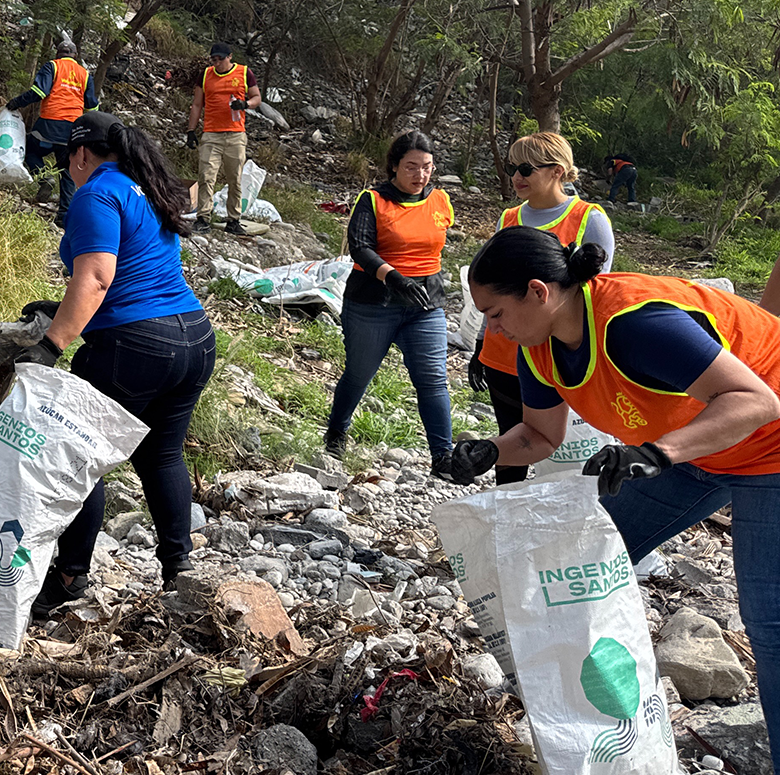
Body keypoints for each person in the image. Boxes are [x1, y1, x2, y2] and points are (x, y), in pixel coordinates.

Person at [447, 226, 780, 761]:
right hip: (697, 450)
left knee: (770, 626)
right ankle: (593, 734)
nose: (491, 328)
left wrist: (656, 454)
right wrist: (489, 451)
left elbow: (757, 401)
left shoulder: (636, 323)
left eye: (495, 313)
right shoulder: (539, 346)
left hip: (768, 449)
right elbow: (539, 436)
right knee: (574, 568)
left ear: (538, 291)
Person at [15, 111, 216, 617]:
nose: (68, 169)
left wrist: (52, 345)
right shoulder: (144, 188)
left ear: (80, 154)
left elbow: (99, 277)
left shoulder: (95, 193)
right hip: (194, 336)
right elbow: (134, 272)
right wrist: (57, 309)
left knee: (81, 455)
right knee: (162, 456)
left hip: (138, 344)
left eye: (68, 160)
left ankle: (68, 576)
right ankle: (179, 570)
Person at [468, 132, 614, 484]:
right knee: (509, 442)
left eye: (525, 169)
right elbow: (494, 290)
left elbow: (596, 298)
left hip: (554, 357)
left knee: (562, 450)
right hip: (504, 353)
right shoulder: (509, 218)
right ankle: (509, 521)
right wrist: (480, 344)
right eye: (511, 168)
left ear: (557, 171)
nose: (516, 177)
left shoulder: (589, 219)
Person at [325, 131, 455, 473]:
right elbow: (360, 246)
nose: (420, 175)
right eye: (411, 167)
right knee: (359, 373)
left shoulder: (440, 200)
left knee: (433, 379)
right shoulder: (373, 200)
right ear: (394, 167)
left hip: (425, 304)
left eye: (427, 167)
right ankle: (336, 432)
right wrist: (393, 276)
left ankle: (443, 456)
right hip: (373, 302)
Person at [5, 40, 100, 228]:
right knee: (68, 169)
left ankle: (44, 179)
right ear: (75, 55)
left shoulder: (52, 67)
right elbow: (92, 106)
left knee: (29, 150)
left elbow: (39, 92)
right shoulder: (84, 74)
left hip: (49, 125)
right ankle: (63, 216)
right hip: (73, 129)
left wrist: (15, 103)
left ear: (58, 54)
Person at [186, 42, 261, 235]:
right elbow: (196, 104)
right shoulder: (205, 75)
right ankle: (203, 217)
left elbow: (256, 97)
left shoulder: (244, 73)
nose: (217, 63)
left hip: (235, 133)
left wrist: (244, 105)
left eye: (221, 59)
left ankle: (233, 219)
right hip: (211, 133)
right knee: (206, 176)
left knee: (234, 178)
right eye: (214, 59)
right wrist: (191, 130)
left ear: (230, 57)